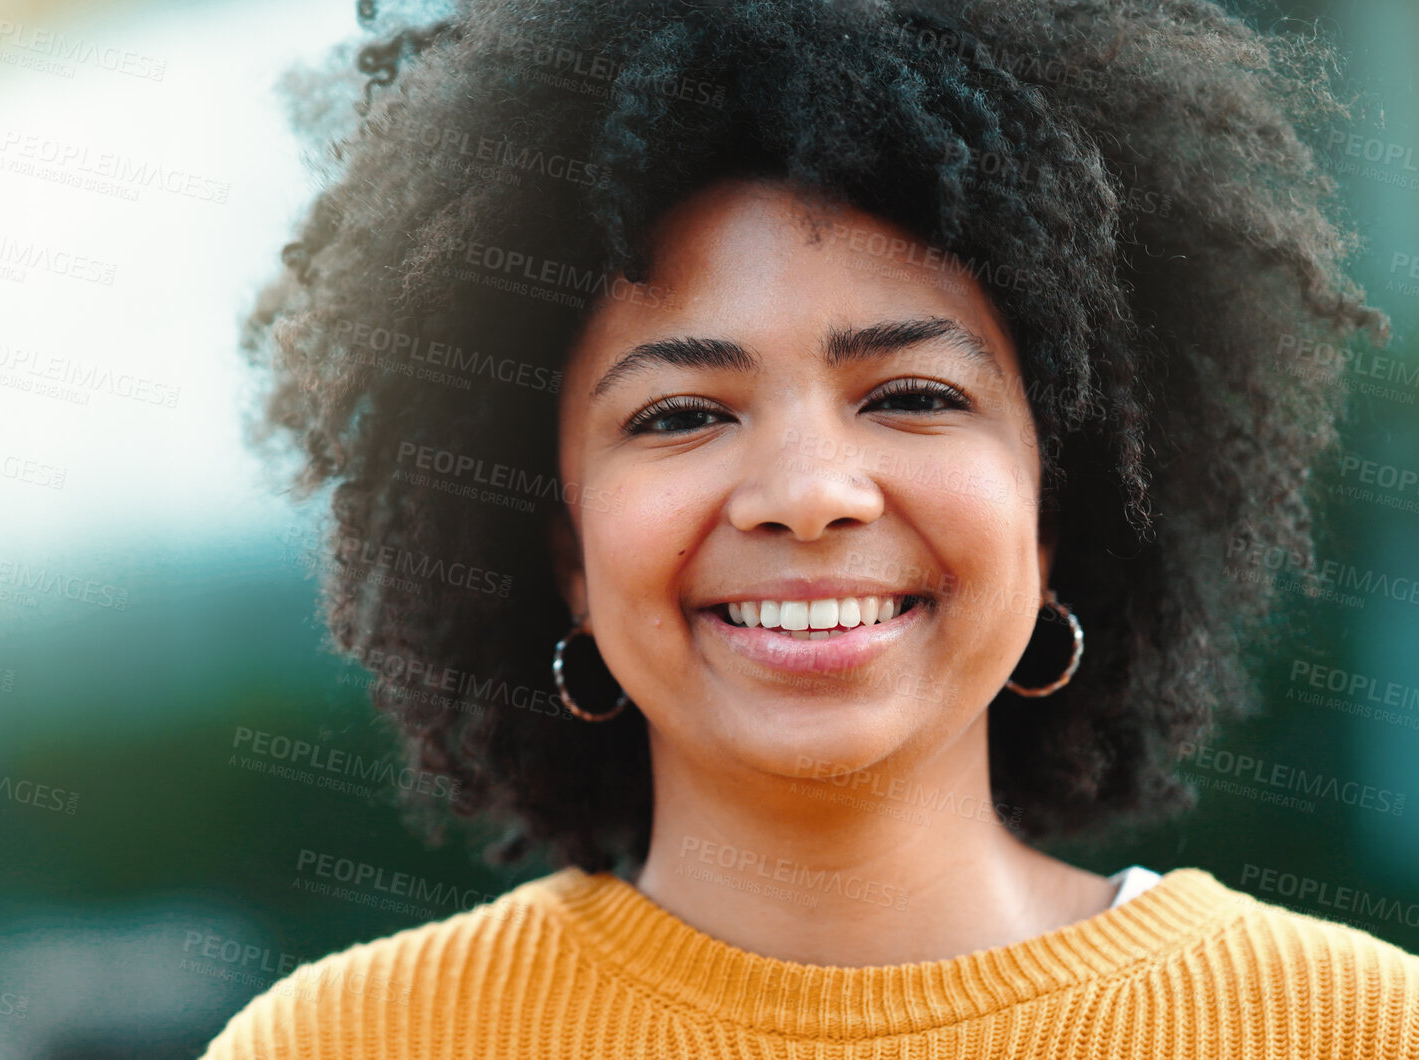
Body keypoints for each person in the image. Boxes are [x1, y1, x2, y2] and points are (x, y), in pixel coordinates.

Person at [205, 0, 1418, 1055]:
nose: (809, 490)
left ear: (1059, 513)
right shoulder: (343, 1043)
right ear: (564, 548)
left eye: (911, 397)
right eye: (680, 413)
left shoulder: (1355, 1029)